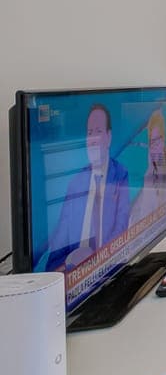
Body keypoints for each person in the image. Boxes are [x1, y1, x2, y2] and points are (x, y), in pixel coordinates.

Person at [45, 104, 130, 271]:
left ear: (108, 137)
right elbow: (59, 241)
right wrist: (60, 269)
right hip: (74, 272)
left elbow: (120, 230)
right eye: (89, 133)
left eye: (98, 131)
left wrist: (97, 261)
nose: (93, 139)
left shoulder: (120, 175)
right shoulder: (75, 184)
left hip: (106, 267)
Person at [130, 109, 166, 225]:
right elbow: (140, 220)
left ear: (165, 140)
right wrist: (150, 169)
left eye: (159, 140)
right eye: (152, 142)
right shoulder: (149, 175)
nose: (155, 146)